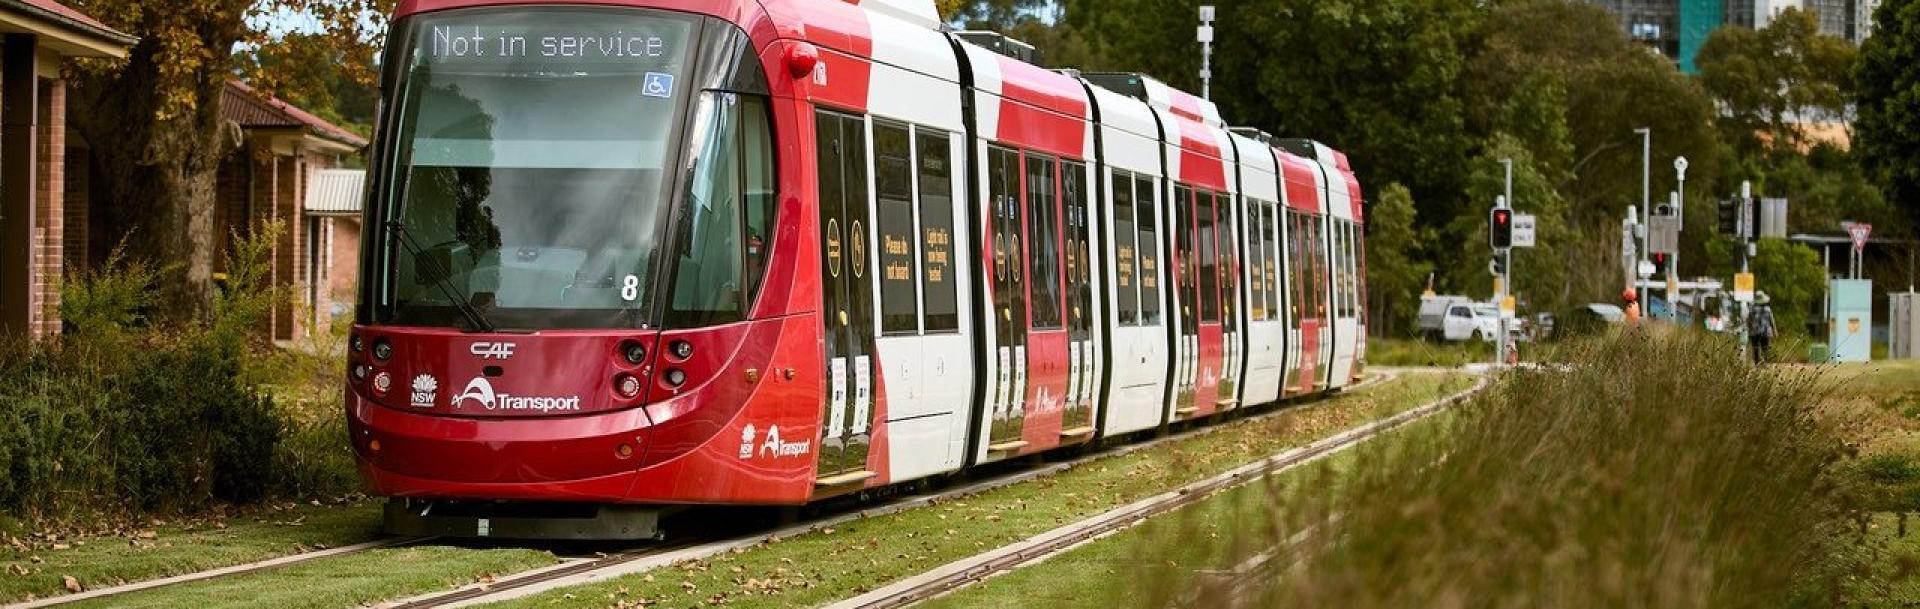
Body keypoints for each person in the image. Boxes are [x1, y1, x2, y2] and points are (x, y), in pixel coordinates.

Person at [1749, 292, 1776, 364]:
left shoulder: (1752, 309)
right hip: (1765, 332)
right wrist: (1775, 331)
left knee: (1755, 349)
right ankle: (1765, 363)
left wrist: (1749, 329)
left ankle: (1756, 364)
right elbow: (1772, 321)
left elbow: (1749, 320)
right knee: (1765, 349)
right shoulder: (1768, 309)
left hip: (1755, 332)